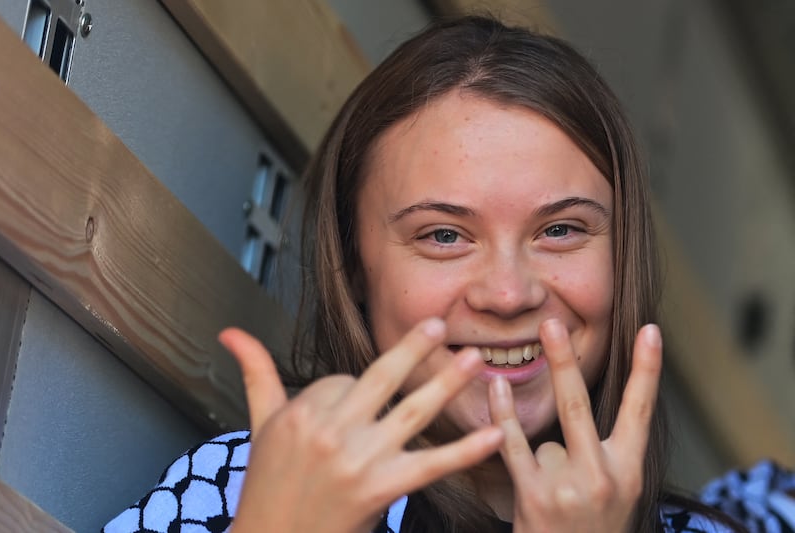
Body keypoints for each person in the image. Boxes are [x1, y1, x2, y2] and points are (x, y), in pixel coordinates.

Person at [103, 15, 747, 533]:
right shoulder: (242, 486)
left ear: (624, 259)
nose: (507, 293)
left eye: (560, 230)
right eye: (444, 235)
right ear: (356, 269)